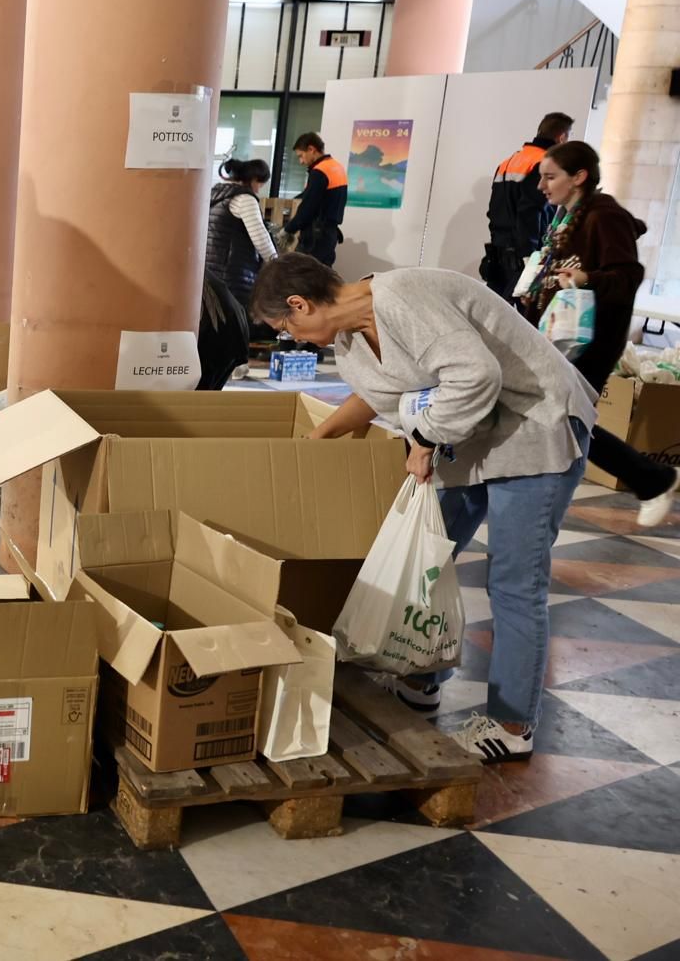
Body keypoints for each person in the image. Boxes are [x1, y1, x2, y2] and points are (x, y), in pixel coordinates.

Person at [251, 254, 596, 763]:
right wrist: (319, 436)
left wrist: (424, 437)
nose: (292, 337)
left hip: (534, 426)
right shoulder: (348, 337)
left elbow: (476, 377)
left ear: (300, 304)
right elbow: (377, 393)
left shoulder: (402, 298)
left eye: (285, 326)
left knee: (514, 583)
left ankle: (511, 723)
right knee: (428, 558)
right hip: (474, 438)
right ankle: (421, 678)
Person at [518, 140, 677, 526]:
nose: (542, 186)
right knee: (558, 415)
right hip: (559, 337)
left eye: (550, 177)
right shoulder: (565, 219)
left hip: (590, 340)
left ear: (579, 177)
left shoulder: (604, 216)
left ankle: (652, 478)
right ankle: (646, 479)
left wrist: (587, 278)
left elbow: (628, 275)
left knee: (566, 416)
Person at [482, 112, 573, 300]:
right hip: (523, 259)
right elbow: (530, 212)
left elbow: (493, 211)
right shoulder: (544, 164)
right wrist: (530, 258)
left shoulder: (508, 162)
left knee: (493, 314)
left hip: (499, 255)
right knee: (522, 322)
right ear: (562, 137)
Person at [206, 157, 278, 309]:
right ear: (252, 179)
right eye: (259, 184)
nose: (258, 190)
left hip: (209, 273)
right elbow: (260, 237)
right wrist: (276, 264)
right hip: (233, 275)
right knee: (236, 323)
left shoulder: (214, 195)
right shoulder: (244, 199)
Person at [283, 133, 347, 267]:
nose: (301, 161)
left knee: (300, 276)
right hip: (330, 234)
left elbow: (308, 207)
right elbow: (311, 195)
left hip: (315, 236)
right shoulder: (336, 167)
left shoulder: (319, 172)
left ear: (311, 149)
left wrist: (288, 229)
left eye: (301, 156)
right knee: (324, 279)